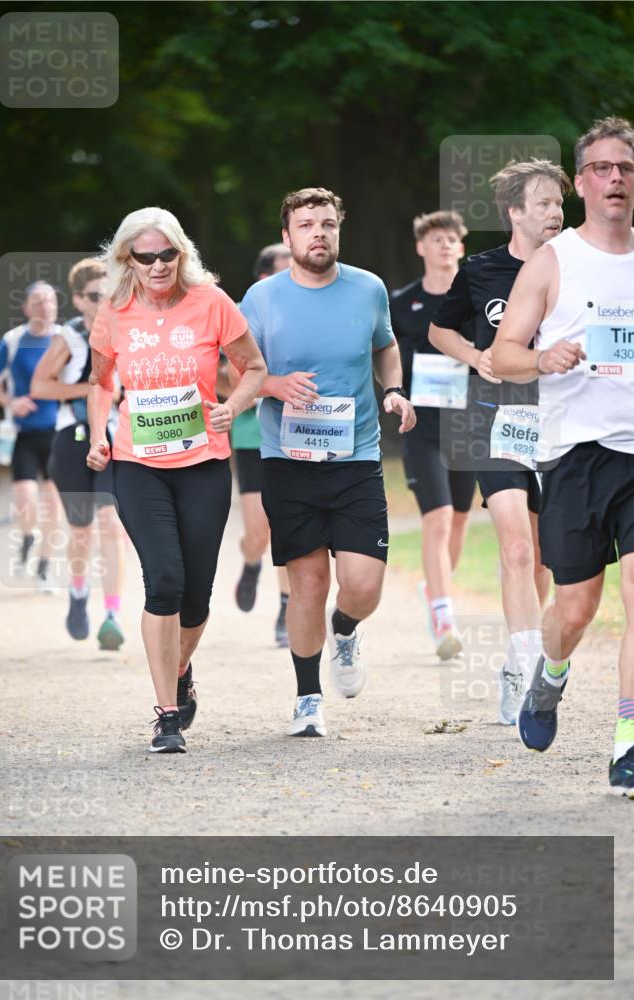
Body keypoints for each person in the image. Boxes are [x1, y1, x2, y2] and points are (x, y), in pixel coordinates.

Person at [86, 207, 266, 754]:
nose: (159, 264)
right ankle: (166, 714)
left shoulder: (212, 304)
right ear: (128, 260)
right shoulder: (113, 312)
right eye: (147, 256)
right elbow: (99, 382)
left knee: (195, 595)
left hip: (204, 464)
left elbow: (253, 368)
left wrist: (230, 407)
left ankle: (181, 667)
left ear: (181, 254)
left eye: (168, 253)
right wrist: (99, 433)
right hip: (138, 465)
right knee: (163, 581)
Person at [492, 117, 634, 797]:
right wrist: (540, 357)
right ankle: (547, 677)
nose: (615, 179)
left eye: (625, 169)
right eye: (602, 169)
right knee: (574, 610)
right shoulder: (552, 262)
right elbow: (502, 354)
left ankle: (628, 740)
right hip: (574, 453)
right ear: (580, 183)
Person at [240, 187, 415, 738]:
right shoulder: (262, 298)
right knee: (308, 581)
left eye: (328, 223)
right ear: (287, 236)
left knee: (362, 586)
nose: (319, 232)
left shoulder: (368, 289)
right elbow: (233, 375)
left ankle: (346, 630)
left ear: (339, 230)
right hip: (288, 460)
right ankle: (307, 697)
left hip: (356, 457)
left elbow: (385, 345)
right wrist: (273, 384)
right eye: (307, 224)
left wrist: (394, 389)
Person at [428, 160, 571, 725]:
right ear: (515, 213)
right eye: (543, 204)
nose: (556, 213)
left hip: (563, 424)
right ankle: (527, 667)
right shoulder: (482, 269)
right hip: (495, 420)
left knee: (541, 557)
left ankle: (518, 656)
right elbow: (442, 328)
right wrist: (476, 356)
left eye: (560, 203)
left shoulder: (579, 268)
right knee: (514, 548)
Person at [390, 210, 476, 660]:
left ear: (460, 248)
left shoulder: (478, 295)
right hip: (421, 426)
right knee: (438, 516)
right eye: (435, 239)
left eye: (451, 240)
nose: (444, 246)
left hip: (467, 423)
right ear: (421, 247)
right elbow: (387, 359)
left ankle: (433, 587)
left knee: (460, 517)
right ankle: (444, 614)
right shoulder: (402, 302)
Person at [31, 258, 127, 650]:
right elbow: (39, 386)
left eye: (108, 293)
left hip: (114, 438)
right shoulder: (68, 339)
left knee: (110, 523)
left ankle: (112, 615)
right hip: (71, 438)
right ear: (78, 300)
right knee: (82, 532)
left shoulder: (125, 331)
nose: (103, 301)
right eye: (94, 296)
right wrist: (93, 388)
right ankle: (77, 591)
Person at [230, 243, 292, 646]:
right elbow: (221, 371)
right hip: (252, 434)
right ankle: (252, 560)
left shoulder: (314, 309)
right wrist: (247, 391)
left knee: (287, 524)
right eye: (284, 268)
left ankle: (287, 607)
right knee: (259, 529)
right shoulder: (239, 313)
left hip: (299, 431)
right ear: (263, 278)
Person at [0, 281, 63, 588]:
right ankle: (29, 535)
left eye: (51, 301)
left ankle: (44, 566)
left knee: (54, 503)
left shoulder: (64, 340)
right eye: (39, 302)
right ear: (27, 307)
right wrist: (10, 402)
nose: (46, 306)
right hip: (23, 435)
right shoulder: (13, 341)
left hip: (57, 433)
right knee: (26, 500)